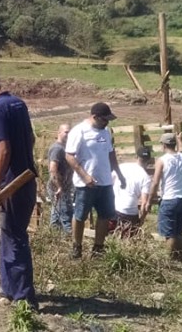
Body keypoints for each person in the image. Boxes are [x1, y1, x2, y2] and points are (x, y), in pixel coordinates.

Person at [0, 72, 38, 310]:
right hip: (26, 179)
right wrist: (26, 166)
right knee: (8, 235)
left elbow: (3, 149)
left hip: (12, 185)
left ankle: (24, 298)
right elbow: (30, 138)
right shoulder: (18, 104)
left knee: (15, 237)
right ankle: (8, 287)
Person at [64, 102, 126, 259]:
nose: (107, 122)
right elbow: (69, 156)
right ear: (95, 117)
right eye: (105, 119)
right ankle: (76, 247)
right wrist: (84, 176)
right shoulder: (79, 131)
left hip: (105, 182)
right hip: (85, 184)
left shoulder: (105, 132)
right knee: (80, 215)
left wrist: (119, 174)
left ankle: (98, 248)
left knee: (105, 215)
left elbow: (111, 154)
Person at [148, 132, 182, 259]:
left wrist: (150, 199)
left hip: (169, 199)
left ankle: (169, 261)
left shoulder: (162, 160)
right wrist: (180, 140)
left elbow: (155, 181)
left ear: (163, 145)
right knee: (179, 232)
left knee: (169, 234)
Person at [109, 146, 153, 238]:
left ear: (136, 157)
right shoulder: (145, 177)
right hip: (129, 212)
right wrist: (142, 219)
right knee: (127, 240)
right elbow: (144, 203)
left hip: (113, 208)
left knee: (110, 237)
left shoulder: (122, 167)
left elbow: (109, 182)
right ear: (148, 161)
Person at [46, 123, 72, 232]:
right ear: (59, 133)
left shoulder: (65, 147)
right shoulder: (57, 149)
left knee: (57, 214)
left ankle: (54, 239)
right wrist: (59, 187)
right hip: (57, 187)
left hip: (63, 187)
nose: (68, 134)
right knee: (65, 216)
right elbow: (53, 169)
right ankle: (69, 239)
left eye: (70, 132)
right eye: (66, 132)